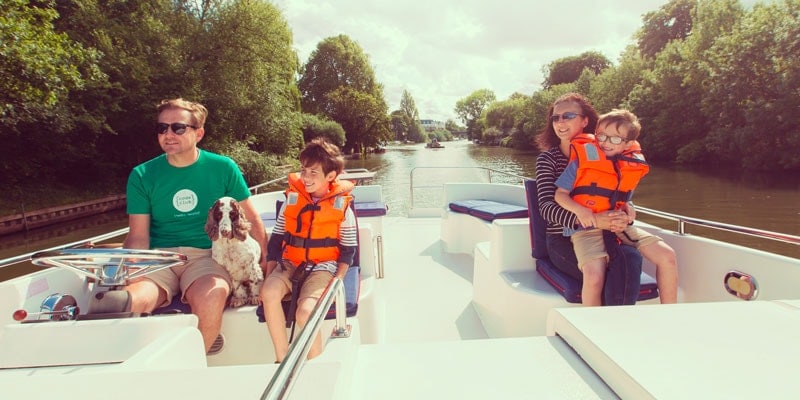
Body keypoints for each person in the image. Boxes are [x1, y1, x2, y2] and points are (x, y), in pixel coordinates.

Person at [123, 98, 268, 353]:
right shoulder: (142, 175)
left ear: (198, 133)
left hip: (208, 257)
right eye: (162, 128)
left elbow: (252, 219)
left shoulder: (223, 168)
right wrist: (130, 271)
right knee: (130, 300)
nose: (168, 134)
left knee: (212, 297)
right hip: (159, 258)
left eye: (178, 128)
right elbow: (138, 236)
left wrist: (266, 263)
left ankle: (191, 364)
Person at [554, 109, 678, 306]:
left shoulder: (629, 165)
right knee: (594, 277)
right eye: (601, 136)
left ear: (628, 144)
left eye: (615, 139)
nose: (605, 142)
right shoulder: (581, 162)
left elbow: (623, 198)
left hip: (618, 226)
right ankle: (591, 325)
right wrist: (581, 211)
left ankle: (669, 313)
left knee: (667, 256)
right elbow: (559, 195)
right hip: (586, 229)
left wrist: (629, 209)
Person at [534, 93, 642, 305]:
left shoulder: (605, 154)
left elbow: (616, 190)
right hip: (562, 239)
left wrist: (627, 207)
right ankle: (599, 329)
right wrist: (591, 219)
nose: (560, 122)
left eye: (568, 116)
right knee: (608, 272)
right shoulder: (548, 159)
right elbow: (546, 207)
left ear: (585, 121)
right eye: (556, 118)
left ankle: (622, 327)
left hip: (604, 232)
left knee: (631, 259)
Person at [259, 138, 357, 362]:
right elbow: (276, 240)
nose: (306, 177)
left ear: (331, 176)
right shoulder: (292, 199)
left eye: (314, 172)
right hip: (290, 261)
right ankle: (281, 359)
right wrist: (269, 274)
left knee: (305, 313)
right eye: (304, 171)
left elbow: (348, 250)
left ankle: (315, 365)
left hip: (323, 266)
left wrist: (337, 281)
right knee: (269, 293)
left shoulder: (341, 206)